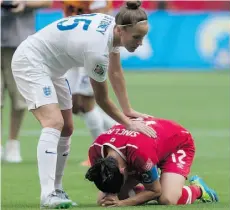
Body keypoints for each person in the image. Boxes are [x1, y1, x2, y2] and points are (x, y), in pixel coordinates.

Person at [11, 1, 156, 208]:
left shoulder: (112, 26)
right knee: (53, 123)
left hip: (53, 68)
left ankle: (57, 189)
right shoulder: (97, 50)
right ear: (120, 30)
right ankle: (47, 195)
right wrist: (128, 123)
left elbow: (116, 72)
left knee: (67, 127)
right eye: (136, 37)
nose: (140, 42)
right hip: (31, 61)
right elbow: (102, 100)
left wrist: (128, 109)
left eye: (143, 37)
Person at [85, 117, 219, 207]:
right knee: (103, 200)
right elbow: (106, 180)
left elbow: (155, 191)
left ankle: (199, 190)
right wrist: (111, 196)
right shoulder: (95, 152)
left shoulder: (139, 153)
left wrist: (123, 203)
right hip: (148, 147)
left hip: (177, 143)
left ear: (123, 170)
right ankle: (155, 179)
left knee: (167, 199)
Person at [63, 0, 116, 167]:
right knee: (73, 104)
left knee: (86, 103)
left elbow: (100, 17)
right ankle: (120, 129)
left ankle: (101, 154)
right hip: (72, 46)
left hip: (90, 48)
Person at [1, 0, 52, 163]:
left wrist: (24, 3)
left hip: (20, 43)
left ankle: (13, 143)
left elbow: (47, 2)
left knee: (19, 99)